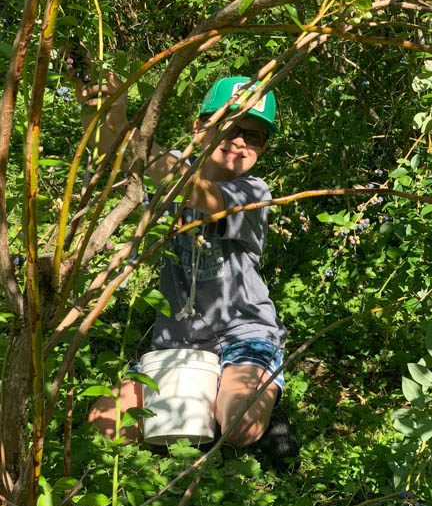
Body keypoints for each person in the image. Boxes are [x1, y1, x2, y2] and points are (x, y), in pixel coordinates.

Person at [83, 74, 298, 459]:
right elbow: (110, 153)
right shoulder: (169, 172)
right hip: (177, 342)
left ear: (262, 147)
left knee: (240, 423)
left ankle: (253, 416)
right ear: (200, 126)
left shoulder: (253, 192)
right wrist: (101, 110)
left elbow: (200, 193)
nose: (240, 141)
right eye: (230, 126)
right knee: (106, 421)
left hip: (242, 335)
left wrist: (128, 132)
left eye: (254, 136)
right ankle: (209, 409)